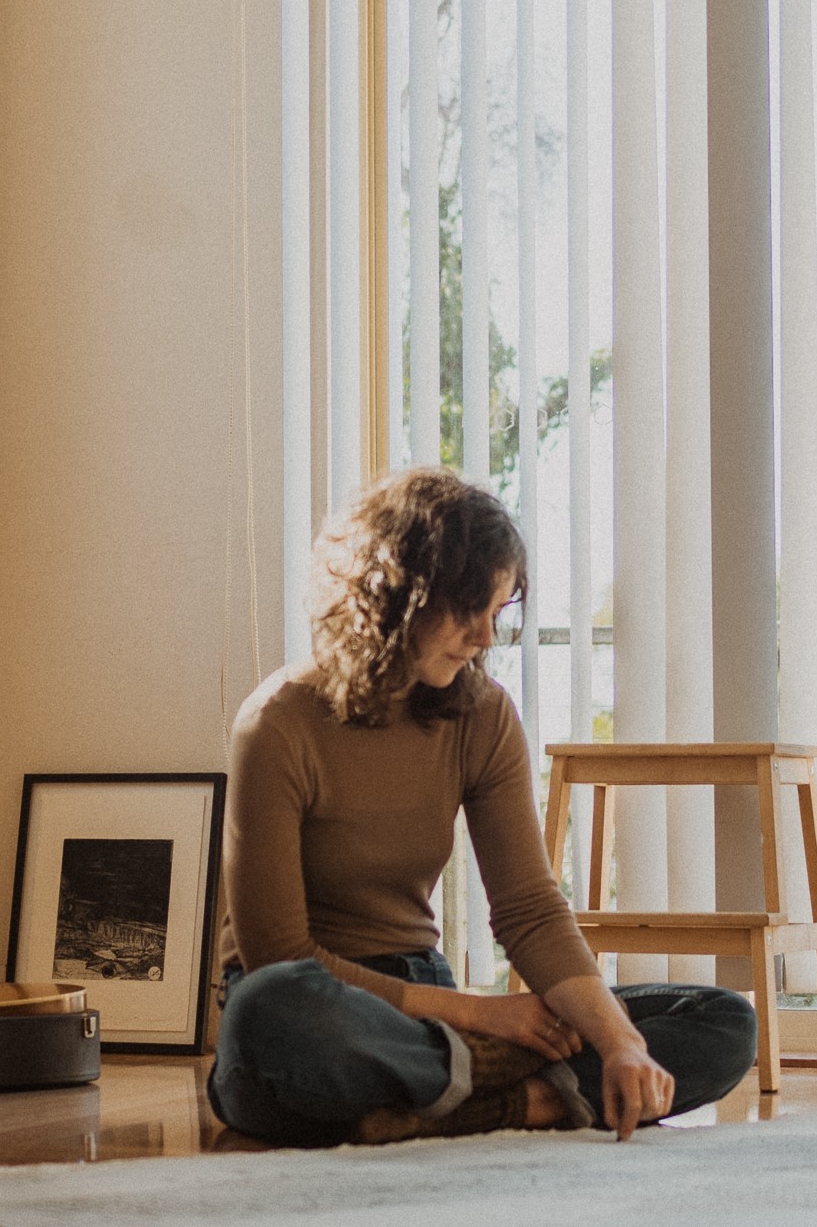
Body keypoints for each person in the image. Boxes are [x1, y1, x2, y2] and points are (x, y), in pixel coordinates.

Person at [211, 468, 756, 1147]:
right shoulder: (277, 723)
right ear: (396, 593)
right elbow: (278, 957)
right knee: (275, 1013)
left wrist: (619, 1043)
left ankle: (455, 1101)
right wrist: (481, 1017)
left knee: (722, 1021)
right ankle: (516, 1094)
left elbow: (528, 905)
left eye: (497, 613)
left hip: (425, 1003)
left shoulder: (482, 714)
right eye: (472, 609)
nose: (486, 638)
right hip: (324, 1005)